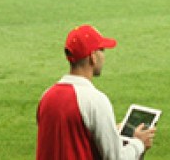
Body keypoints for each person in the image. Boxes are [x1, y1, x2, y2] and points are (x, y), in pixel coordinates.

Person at [36, 25, 156, 159]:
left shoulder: (47, 96)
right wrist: (139, 143)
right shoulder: (95, 100)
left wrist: (111, 132)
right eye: (102, 50)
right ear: (92, 57)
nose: (104, 56)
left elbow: (67, 136)